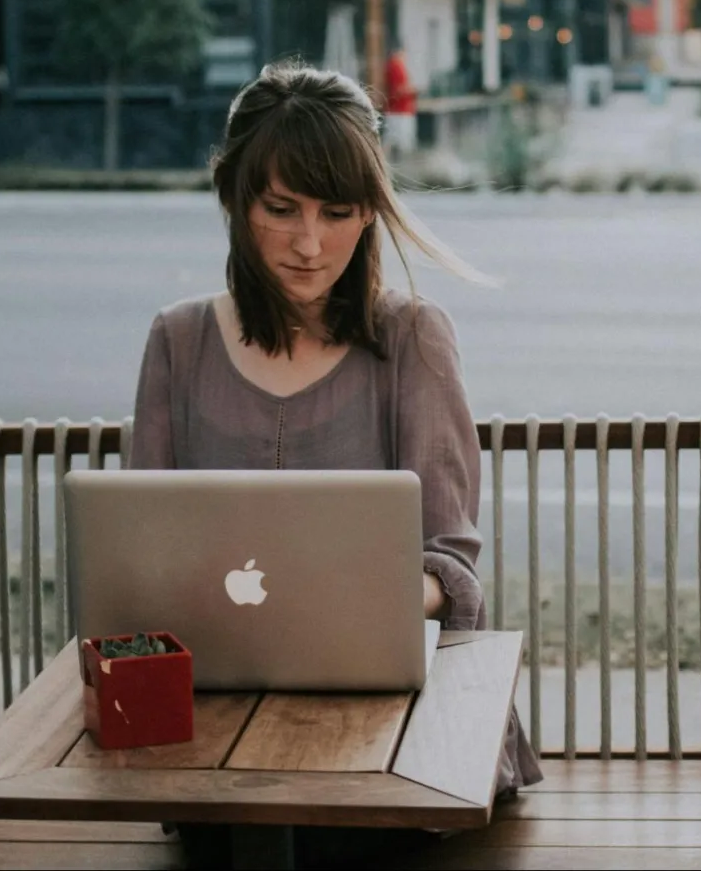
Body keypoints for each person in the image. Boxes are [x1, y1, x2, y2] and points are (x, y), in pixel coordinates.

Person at [129, 61, 540, 865]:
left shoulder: (412, 338)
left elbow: (451, 567)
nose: (310, 245)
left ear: (370, 214)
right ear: (234, 200)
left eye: (339, 212)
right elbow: (141, 551)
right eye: (280, 210)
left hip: (392, 725)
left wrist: (347, 599)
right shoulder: (179, 341)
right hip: (217, 720)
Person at [382, 45, 419, 161]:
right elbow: (399, 90)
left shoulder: (395, 66)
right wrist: (412, 90)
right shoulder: (395, 66)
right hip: (399, 110)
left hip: (399, 109)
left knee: (393, 138)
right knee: (399, 140)